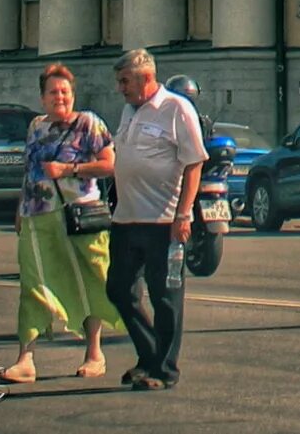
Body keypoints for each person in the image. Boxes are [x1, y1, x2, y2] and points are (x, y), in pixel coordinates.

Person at [86, 48, 205, 391]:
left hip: (163, 221)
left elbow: (194, 162)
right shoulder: (130, 110)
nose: (120, 88)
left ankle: (163, 369)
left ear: (146, 78)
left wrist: (183, 215)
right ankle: (149, 354)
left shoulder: (177, 109)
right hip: (126, 220)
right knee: (119, 289)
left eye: (125, 81)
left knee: (165, 295)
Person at [5, 63, 120, 385]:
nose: (60, 97)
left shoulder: (89, 123)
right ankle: (25, 359)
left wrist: (69, 170)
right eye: (53, 92)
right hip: (37, 216)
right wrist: (19, 209)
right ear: (42, 98)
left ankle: (94, 354)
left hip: (79, 216)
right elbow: (29, 174)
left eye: (65, 91)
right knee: (33, 285)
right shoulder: (36, 127)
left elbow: (110, 165)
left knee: (90, 281)